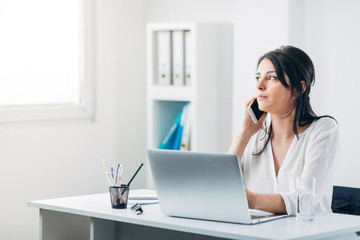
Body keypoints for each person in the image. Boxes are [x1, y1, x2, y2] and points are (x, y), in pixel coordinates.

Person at [228, 45, 339, 215]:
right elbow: (221, 185)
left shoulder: (323, 130)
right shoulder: (254, 137)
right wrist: (244, 134)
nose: (259, 85)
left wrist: (250, 200)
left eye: (271, 77)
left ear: (298, 88)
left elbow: (305, 200)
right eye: (258, 77)